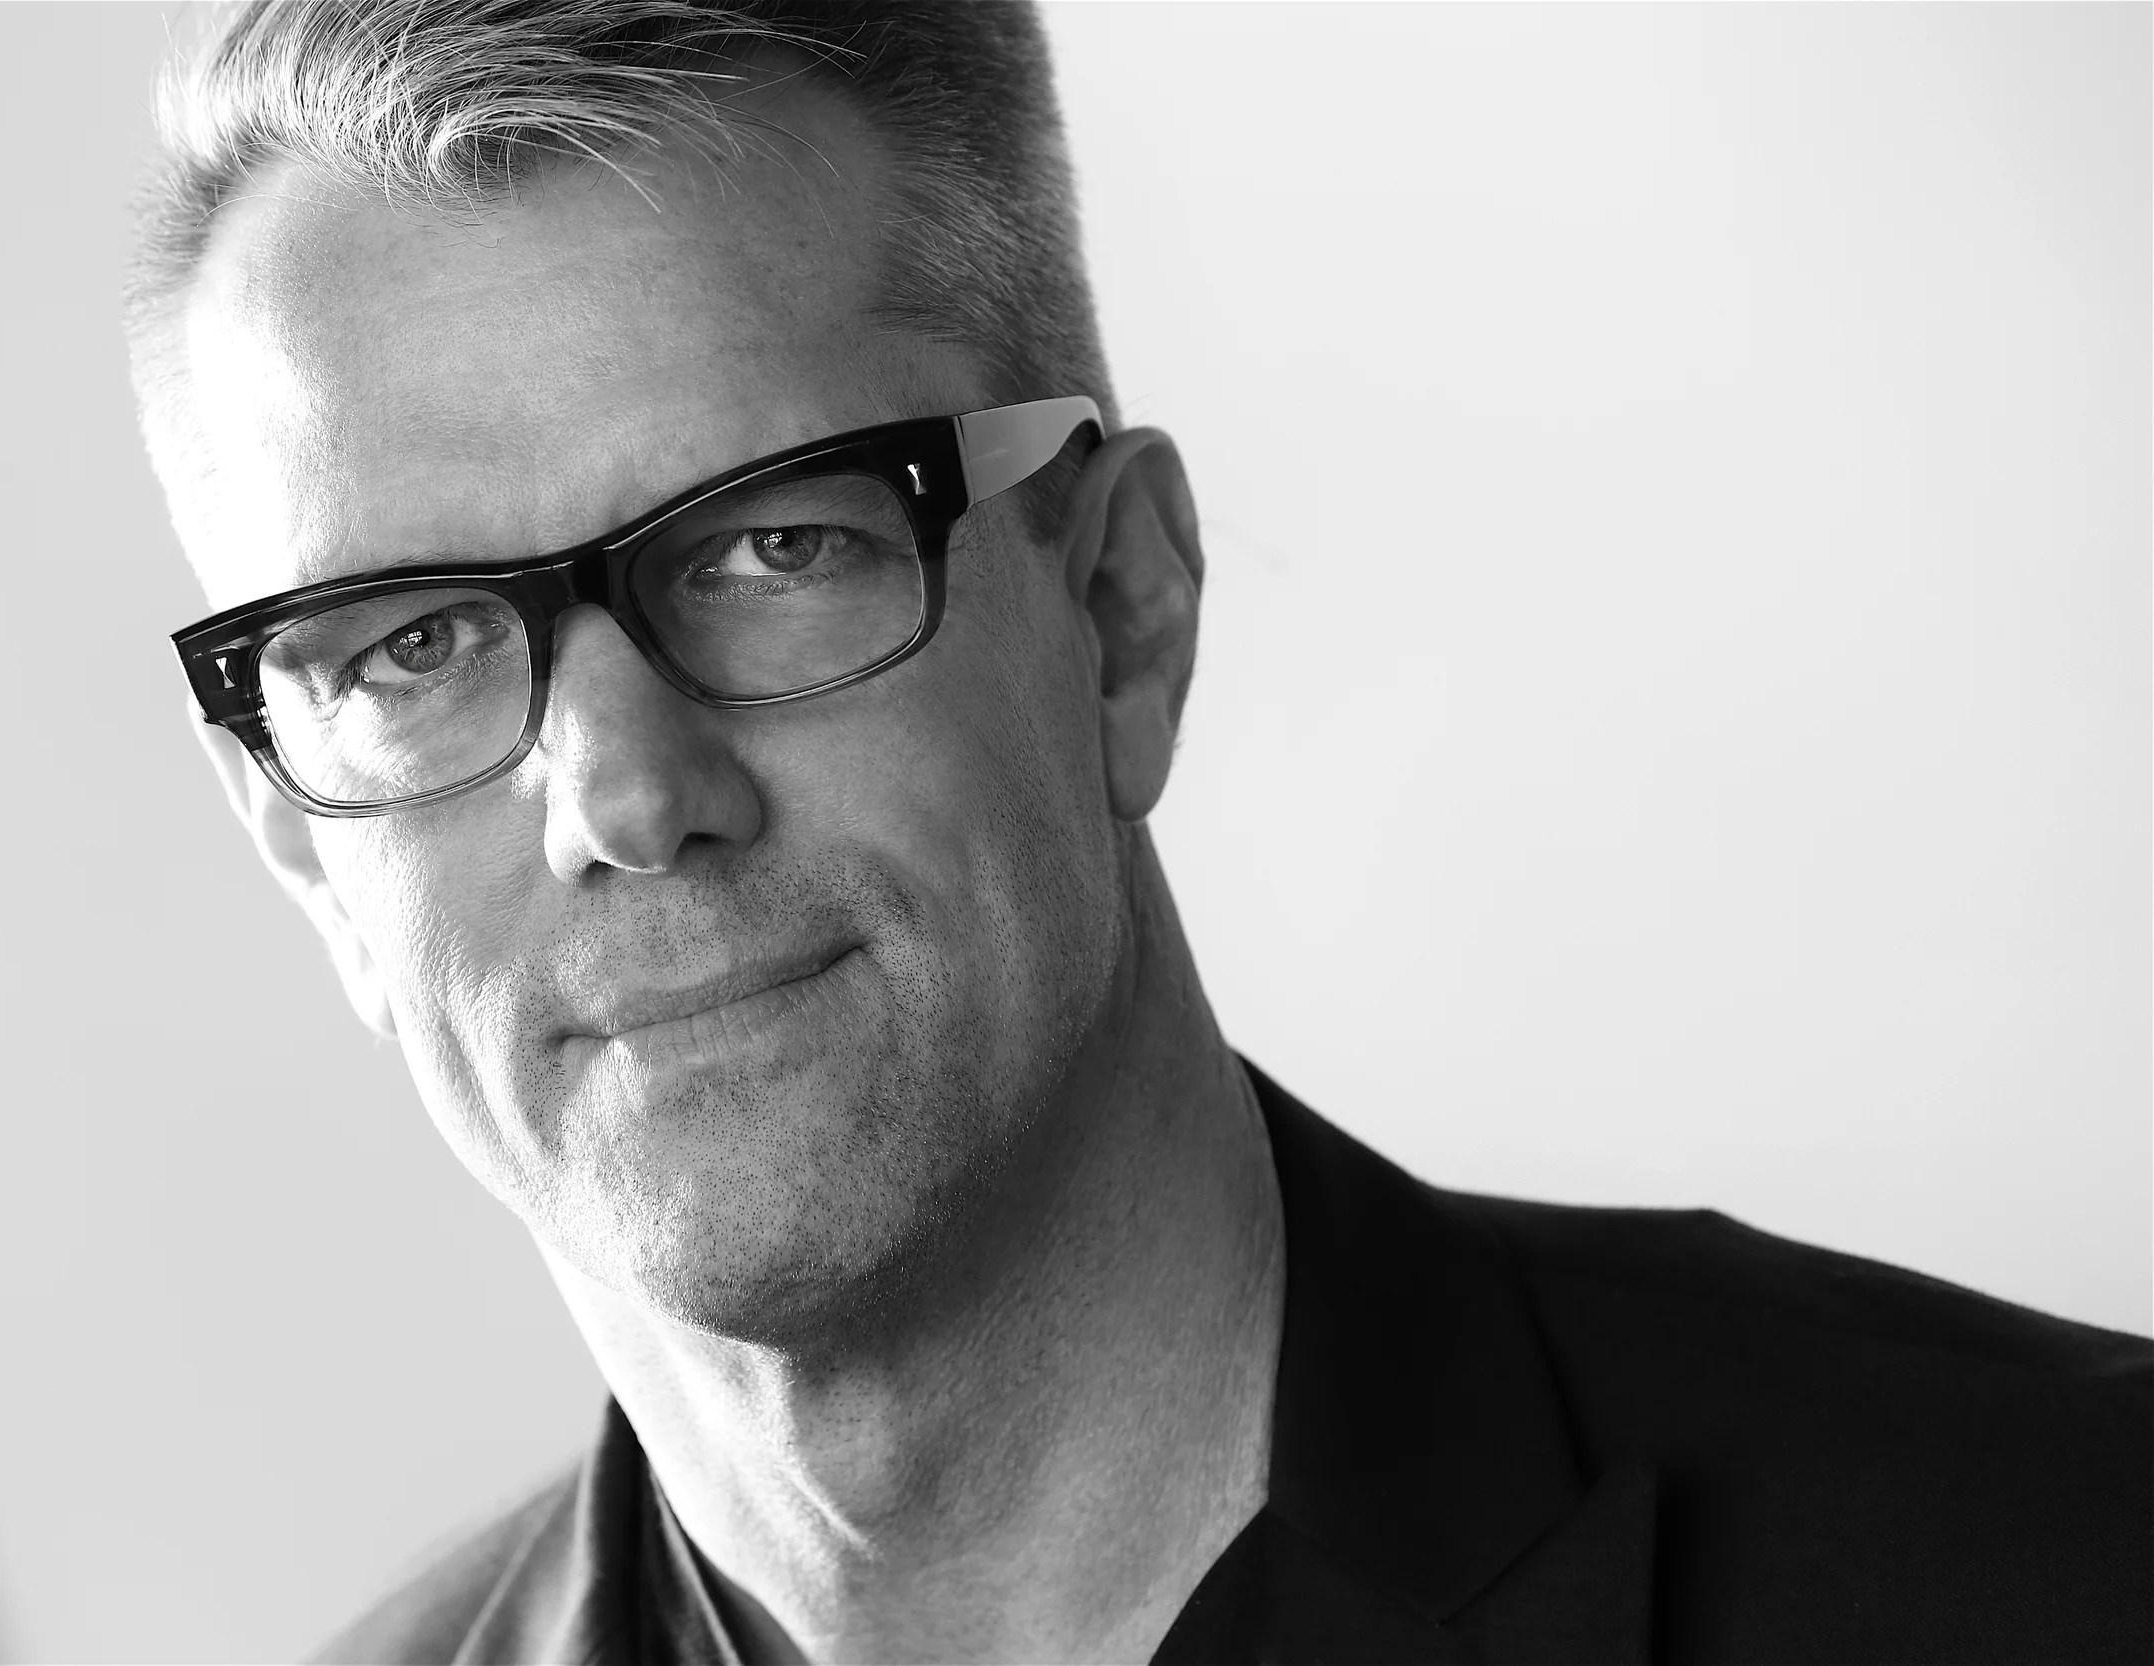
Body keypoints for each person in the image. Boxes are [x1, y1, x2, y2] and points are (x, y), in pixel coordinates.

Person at [126, 3, 2151, 1660]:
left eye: (772, 545)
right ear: (303, 845)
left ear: (1116, 612)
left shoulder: (2061, 1554)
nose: (629, 795)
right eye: (403, 651)